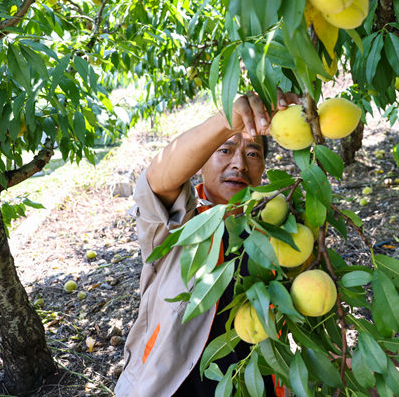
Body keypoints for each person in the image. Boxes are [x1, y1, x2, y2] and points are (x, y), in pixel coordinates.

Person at [115, 91, 299, 397]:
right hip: (178, 384)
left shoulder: (273, 223)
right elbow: (157, 180)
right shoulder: (180, 219)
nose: (239, 164)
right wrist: (228, 122)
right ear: (202, 162)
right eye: (225, 150)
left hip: (255, 379)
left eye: (253, 154)